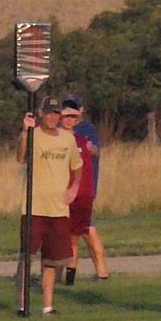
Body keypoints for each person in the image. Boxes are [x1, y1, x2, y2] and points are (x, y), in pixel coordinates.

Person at [16, 97, 82, 315]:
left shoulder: (67, 139)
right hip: (34, 207)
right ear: (41, 113)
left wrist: (74, 187)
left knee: (53, 260)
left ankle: (47, 306)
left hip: (58, 209)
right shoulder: (33, 135)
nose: (53, 117)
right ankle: (22, 304)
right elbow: (20, 157)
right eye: (49, 113)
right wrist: (25, 132)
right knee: (27, 257)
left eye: (56, 113)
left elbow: (77, 165)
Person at [60, 95, 109, 284]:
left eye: (75, 110)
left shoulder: (85, 131)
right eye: (67, 110)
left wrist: (88, 148)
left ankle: (102, 272)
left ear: (81, 110)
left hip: (83, 192)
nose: (70, 116)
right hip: (66, 192)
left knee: (88, 230)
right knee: (69, 235)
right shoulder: (61, 132)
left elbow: (94, 150)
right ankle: (66, 277)